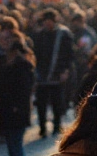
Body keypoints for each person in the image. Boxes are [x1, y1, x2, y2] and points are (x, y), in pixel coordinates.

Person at [31, 10, 74, 138]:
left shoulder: (64, 34)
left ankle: (56, 125)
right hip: (42, 74)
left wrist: (66, 70)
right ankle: (42, 127)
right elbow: (36, 54)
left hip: (57, 72)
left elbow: (69, 54)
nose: (47, 24)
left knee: (57, 102)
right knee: (41, 103)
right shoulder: (40, 35)